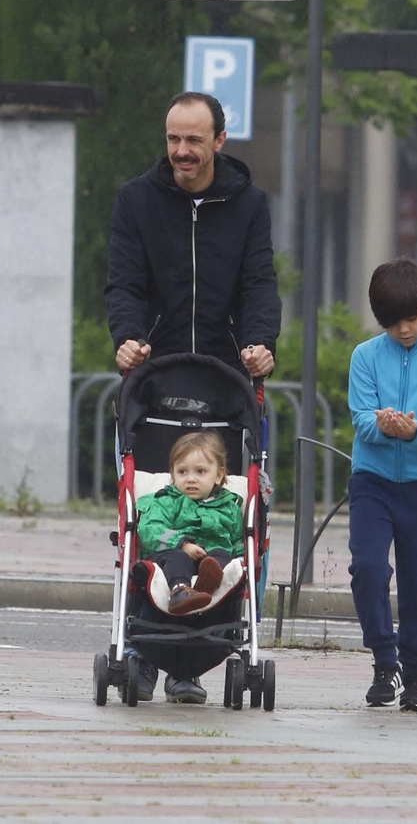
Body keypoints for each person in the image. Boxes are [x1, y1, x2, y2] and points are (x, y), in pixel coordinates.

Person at [346, 258, 417, 713]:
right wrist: (385, 426)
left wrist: (412, 432)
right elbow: (360, 417)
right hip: (372, 479)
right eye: (392, 323)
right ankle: (383, 660)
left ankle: (415, 673)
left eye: (411, 319)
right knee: (368, 569)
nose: (404, 330)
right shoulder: (365, 356)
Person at [105, 91, 280, 378]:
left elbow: (259, 286)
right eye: (173, 139)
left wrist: (260, 344)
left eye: (194, 140)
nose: (181, 151)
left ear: (219, 141)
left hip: (227, 373)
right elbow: (124, 284)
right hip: (154, 369)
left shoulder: (250, 204)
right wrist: (128, 338)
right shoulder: (135, 200)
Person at [132, 430, 244, 704]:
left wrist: (244, 562)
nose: (190, 478)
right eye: (182, 472)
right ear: (173, 474)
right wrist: (182, 543)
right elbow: (150, 529)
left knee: (221, 554)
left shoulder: (230, 507)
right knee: (178, 557)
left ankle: (208, 581)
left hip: (212, 561)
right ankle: (182, 589)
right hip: (171, 559)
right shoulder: (165, 501)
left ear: (218, 476)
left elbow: (240, 541)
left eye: (200, 471)